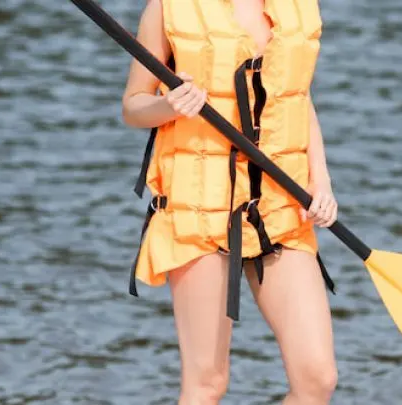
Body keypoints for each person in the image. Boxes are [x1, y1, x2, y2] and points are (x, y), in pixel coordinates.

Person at [122, 0, 339, 403]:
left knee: (317, 378)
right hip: (199, 209)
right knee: (207, 384)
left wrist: (320, 180)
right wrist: (168, 105)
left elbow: (295, 94)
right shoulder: (169, 7)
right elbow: (133, 105)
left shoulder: (294, 6)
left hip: (279, 208)